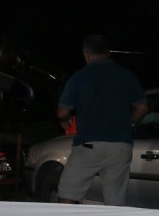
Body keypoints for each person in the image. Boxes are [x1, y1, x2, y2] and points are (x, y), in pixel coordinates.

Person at [56, 34, 149, 206]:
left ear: (86, 54)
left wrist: (66, 119)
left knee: (68, 191)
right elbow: (142, 108)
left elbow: (62, 112)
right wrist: (130, 123)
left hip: (89, 145)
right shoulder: (126, 75)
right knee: (115, 199)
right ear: (108, 53)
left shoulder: (79, 77)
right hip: (121, 146)